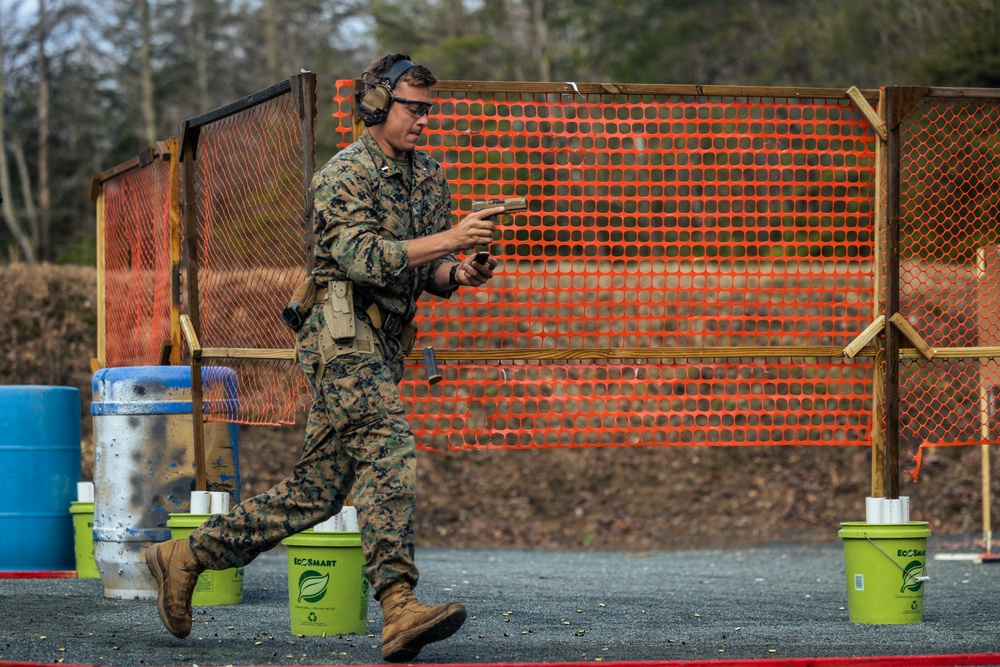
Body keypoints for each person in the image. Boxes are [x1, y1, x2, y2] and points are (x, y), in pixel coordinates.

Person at [145, 53, 504, 662]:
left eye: (427, 110)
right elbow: (363, 257)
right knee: (389, 449)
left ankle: (186, 555)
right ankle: (398, 604)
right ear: (376, 107)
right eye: (412, 108)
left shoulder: (430, 178)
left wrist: (459, 271)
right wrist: (448, 240)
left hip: (382, 344)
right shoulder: (343, 175)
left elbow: (426, 269)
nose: (422, 120)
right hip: (338, 339)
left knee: (316, 493)